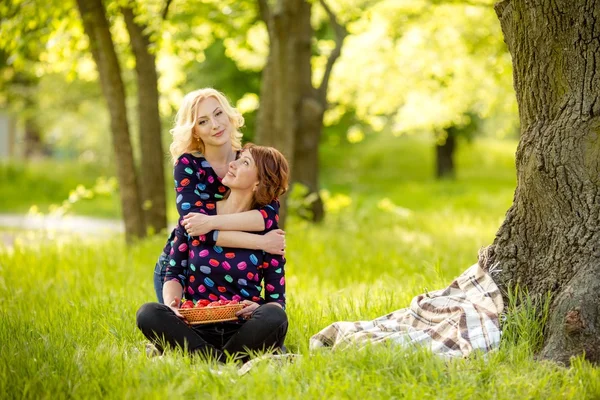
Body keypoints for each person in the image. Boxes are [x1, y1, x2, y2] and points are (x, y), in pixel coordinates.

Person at [137, 144, 289, 362]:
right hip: (197, 327)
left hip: (243, 329)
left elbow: (276, 301)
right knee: (148, 313)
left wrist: (259, 307)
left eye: (244, 162)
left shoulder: (268, 233)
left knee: (276, 317)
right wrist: (173, 304)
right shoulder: (197, 216)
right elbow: (174, 273)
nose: (232, 164)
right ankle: (227, 361)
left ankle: (205, 359)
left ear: (258, 182)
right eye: (237, 158)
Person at [153, 88, 285, 303]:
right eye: (203, 121)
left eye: (218, 114)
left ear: (228, 115)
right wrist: (262, 243)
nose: (215, 125)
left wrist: (211, 221)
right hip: (185, 265)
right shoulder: (188, 165)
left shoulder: (246, 160)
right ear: (195, 131)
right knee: (176, 328)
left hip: (236, 265)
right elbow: (195, 229)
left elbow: (267, 217)